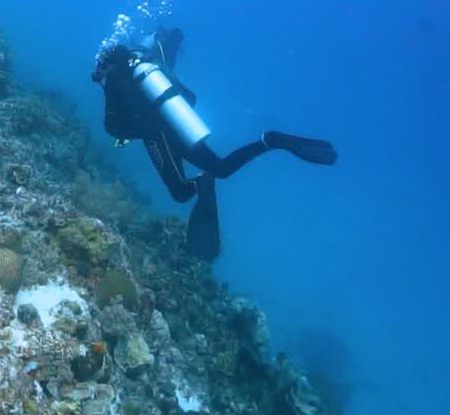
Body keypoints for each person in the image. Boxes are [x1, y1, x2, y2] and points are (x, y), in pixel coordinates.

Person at [92, 27, 337, 261]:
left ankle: (202, 182)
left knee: (180, 192)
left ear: (107, 63)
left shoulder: (115, 79)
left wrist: (127, 125)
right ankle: (269, 141)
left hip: (157, 136)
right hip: (178, 125)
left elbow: (112, 126)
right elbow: (186, 94)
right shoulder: (145, 65)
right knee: (221, 168)